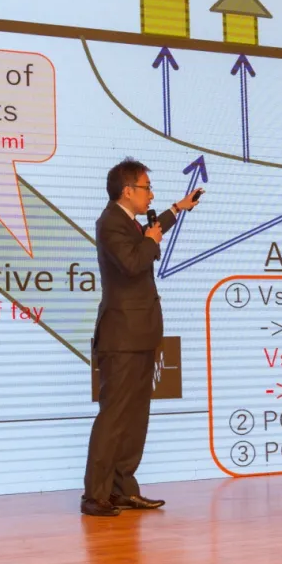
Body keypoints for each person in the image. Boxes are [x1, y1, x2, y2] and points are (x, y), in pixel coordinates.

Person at [81, 158, 202, 517]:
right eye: (147, 188)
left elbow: (147, 235)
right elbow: (133, 263)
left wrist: (176, 209)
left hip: (141, 333)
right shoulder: (109, 222)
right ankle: (95, 495)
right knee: (114, 416)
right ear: (127, 190)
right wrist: (150, 240)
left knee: (135, 417)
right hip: (121, 336)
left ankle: (122, 489)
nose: (151, 194)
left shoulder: (129, 222)